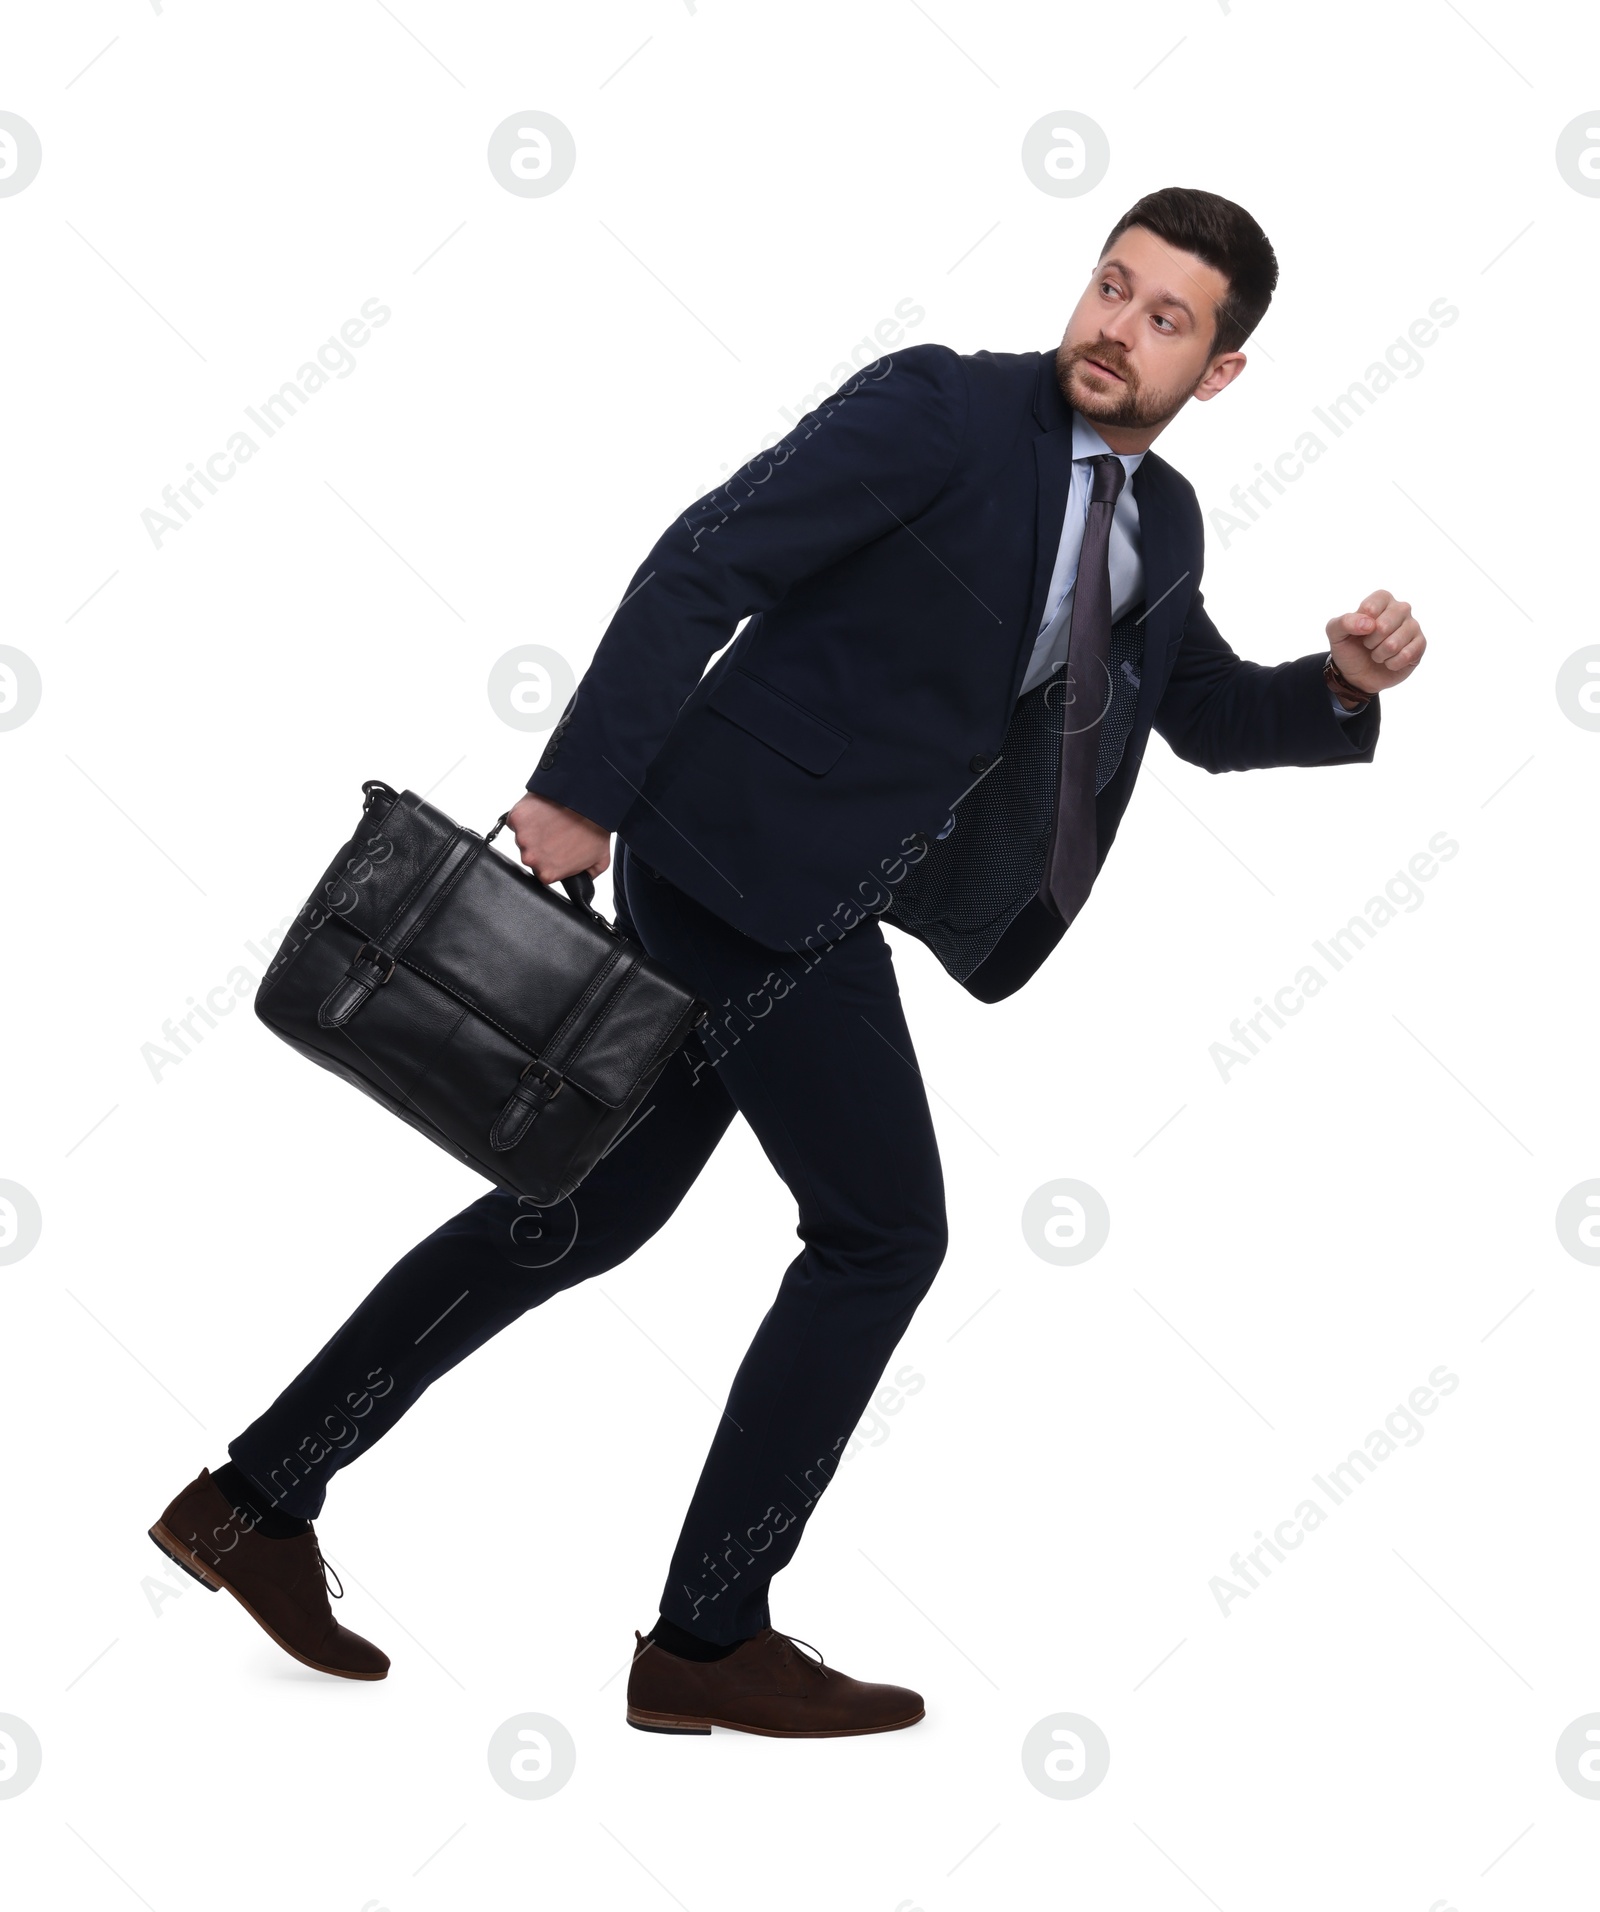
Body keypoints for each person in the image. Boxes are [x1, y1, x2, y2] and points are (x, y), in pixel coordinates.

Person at [150, 185, 1426, 1733]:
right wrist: (579, 792)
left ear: (1218, 373)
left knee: (580, 1215)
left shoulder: (1162, 520)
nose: (1117, 327)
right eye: (1112, 285)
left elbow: (1207, 714)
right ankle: (704, 1639)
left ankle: (253, 1499)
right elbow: (706, 563)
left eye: (1167, 318)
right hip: (734, 865)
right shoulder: (944, 409)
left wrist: (1345, 688)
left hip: (816, 889)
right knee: (885, 1233)